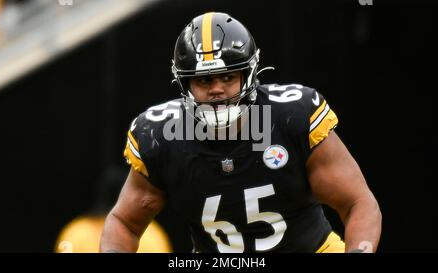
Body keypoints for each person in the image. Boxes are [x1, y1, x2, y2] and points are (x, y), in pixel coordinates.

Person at [100, 11, 381, 253]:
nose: (217, 89)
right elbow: (125, 222)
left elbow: (358, 202)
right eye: (204, 80)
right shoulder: (161, 136)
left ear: (248, 75)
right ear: (185, 84)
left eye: (228, 77)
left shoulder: (291, 116)